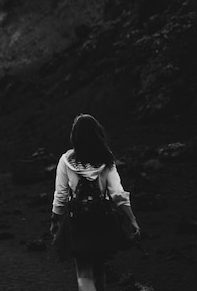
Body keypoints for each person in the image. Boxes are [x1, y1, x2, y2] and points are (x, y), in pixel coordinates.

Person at [50, 114, 140, 291]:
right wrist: (132, 219)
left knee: (83, 270)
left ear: (74, 136)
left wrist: (55, 220)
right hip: (102, 219)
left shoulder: (65, 161)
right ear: (98, 133)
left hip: (78, 220)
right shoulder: (107, 159)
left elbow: (60, 196)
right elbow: (117, 193)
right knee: (99, 269)